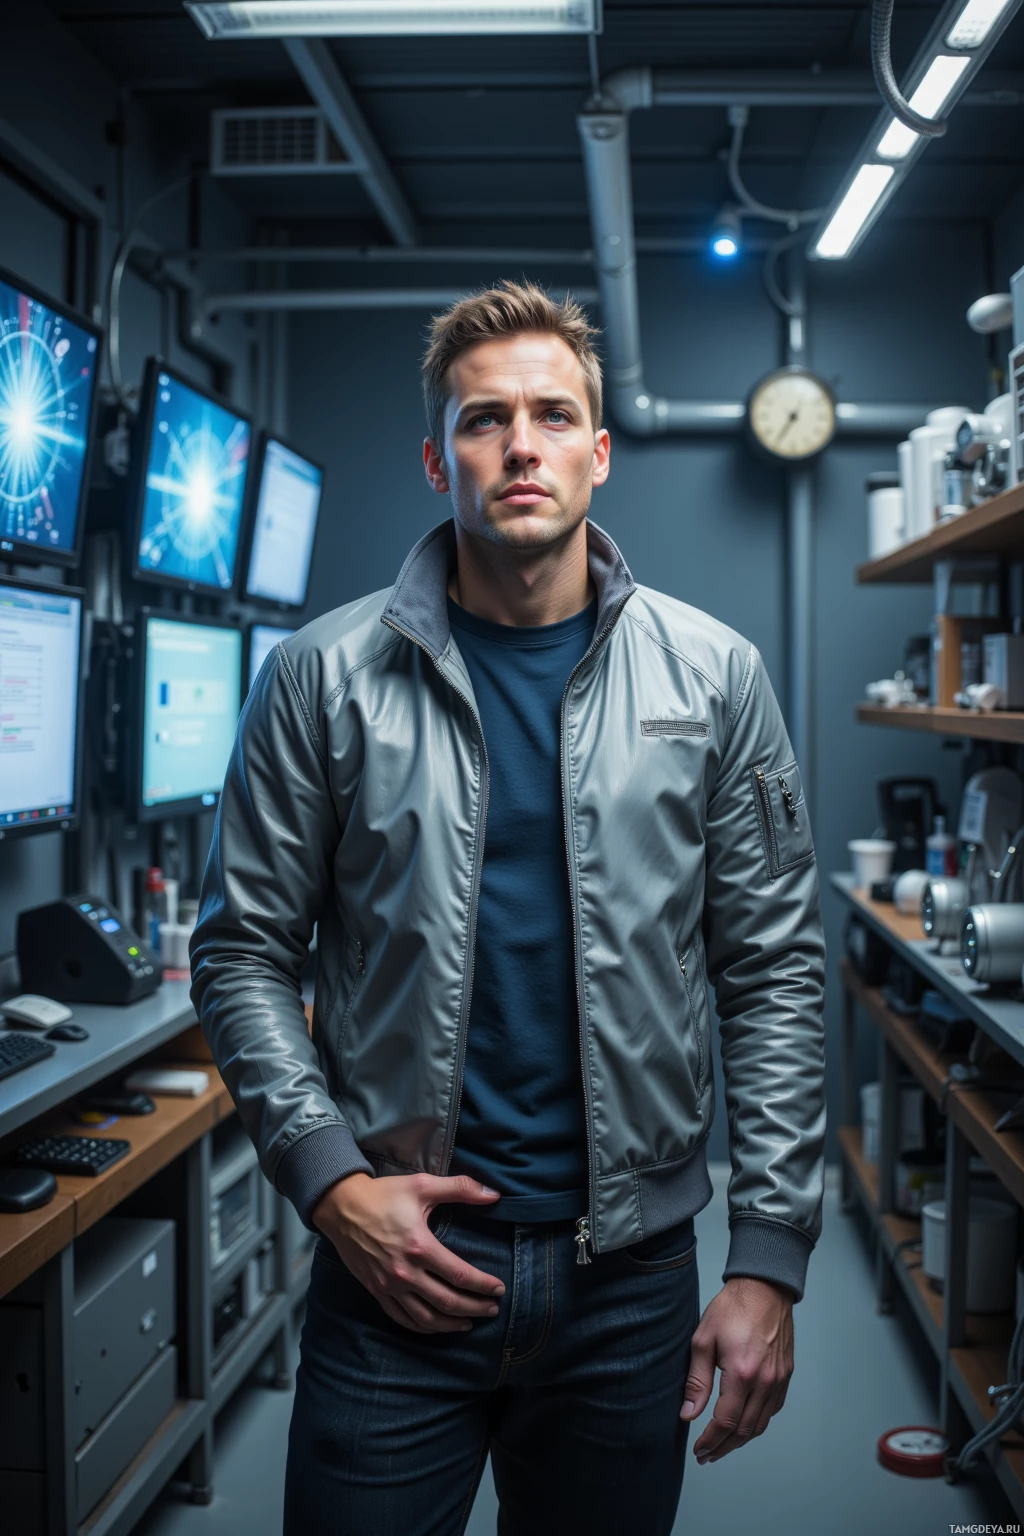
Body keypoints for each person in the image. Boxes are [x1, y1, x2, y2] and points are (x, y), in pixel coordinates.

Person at [190, 278, 826, 1536]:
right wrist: (328, 1185)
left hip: (630, 1281)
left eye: (550, 415)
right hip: (395, 1268)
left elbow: (773, 972)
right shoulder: (322, 678)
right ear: (439, 456)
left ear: (599, 449)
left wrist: (768, 1259)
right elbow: (244, 951)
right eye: (485, 420)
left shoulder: (713, 678)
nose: (519, 445)